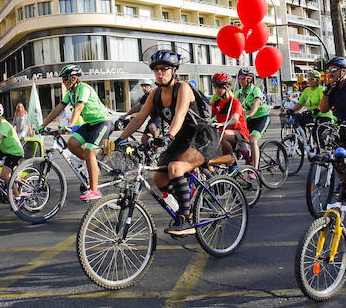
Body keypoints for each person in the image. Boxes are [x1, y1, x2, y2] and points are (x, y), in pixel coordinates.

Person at [113, 49, 220, 236]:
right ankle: (185, 207)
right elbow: (139, 119)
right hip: (181, 138)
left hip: (202, 136)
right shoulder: (155, 94)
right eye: (156, 70)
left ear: (174, 70)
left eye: (164, 69)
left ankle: (186, 221)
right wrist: (119, 140)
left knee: (175, 168)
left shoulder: (183, 88)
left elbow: (179, 115)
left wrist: (168, 136)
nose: (160, 73)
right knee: (159, 177)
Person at [36, 64, 113, 201]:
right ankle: (90, 164)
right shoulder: (70, 94)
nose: (63, 81)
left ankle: (94, 190)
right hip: (90, 124)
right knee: (72, 143)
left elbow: (78, 108)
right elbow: (57, 109)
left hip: (103, 122)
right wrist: (42, 126)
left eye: (65, 78)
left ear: (74, 78)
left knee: (89, 151)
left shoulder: (84, 89)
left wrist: (70, 125)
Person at [209, 72, 248, 164]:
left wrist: (220, 124)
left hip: (239, 132)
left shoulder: (235, 102)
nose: (217, 90)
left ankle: (232, 163)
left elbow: (234, 121)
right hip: (223, 132)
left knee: (220, 135)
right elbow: (207, 115)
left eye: (220, 87)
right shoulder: (216, 103)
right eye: (215, 87)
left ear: (227, 87)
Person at [235, 68, 270, 168]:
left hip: (261, 117)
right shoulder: (239, 93)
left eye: (243, 78)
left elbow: (256, 103)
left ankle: (254, 170)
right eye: (239, 78)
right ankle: (247, 156)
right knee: (237, 137)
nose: (240, 80)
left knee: (252, 140)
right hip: (249, 119)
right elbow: (233, 106)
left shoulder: (256, 90)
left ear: (249, 79)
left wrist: (250, 114)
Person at [289, 70, 336, 144]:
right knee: (298, 119)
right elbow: (300, 104)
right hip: (313, 116)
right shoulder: (306, 90)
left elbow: (323, 103)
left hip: (324, 116)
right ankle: (304, 138)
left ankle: (323, 149)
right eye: (308, 79)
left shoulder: (321, 90)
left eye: (312, 79)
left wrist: (317, 109)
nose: (310, 81)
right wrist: (291, 110)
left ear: (317, 80)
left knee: (316, 134)